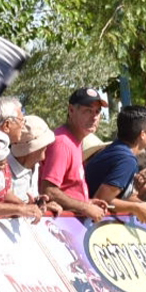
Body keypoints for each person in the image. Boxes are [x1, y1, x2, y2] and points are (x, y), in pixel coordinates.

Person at [84, 105, 146, 223]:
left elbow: (116, 198)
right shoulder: (126, 160)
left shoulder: (119, 151)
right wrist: (135, 208)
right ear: (142, 134)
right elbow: (100, 201)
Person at [39, 87, 110, 221]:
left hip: (70, 222)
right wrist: (85, 207)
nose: (94, 117)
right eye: (88, 111)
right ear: (71, 110)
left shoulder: (74, 140)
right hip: (60, 224)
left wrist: (86, 202)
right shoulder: (62, 143)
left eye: (97, 111)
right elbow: (49, 191)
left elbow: (67, 188)